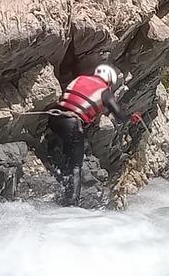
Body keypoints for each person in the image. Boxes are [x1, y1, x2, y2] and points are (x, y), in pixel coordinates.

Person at [48, 64, 142, 206]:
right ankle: (71, 206)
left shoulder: (80, 79)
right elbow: (119, 116)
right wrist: (131, 117)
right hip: (72, 123)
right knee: (75, 167)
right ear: (109, 80)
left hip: (54, 119)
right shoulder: (104, 91)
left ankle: (58, 177)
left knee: (66, 149)